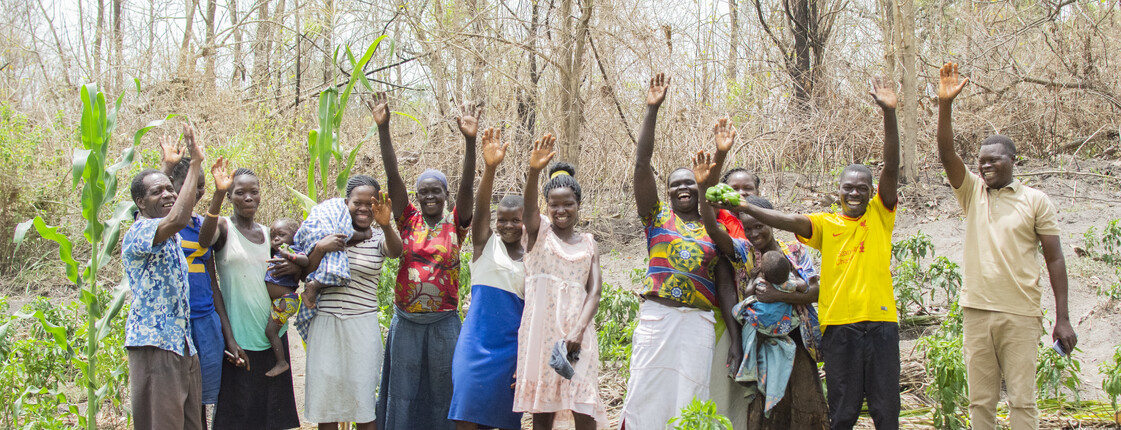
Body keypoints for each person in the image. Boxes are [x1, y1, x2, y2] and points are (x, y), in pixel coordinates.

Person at [715, 78, 901, 430]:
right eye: (849, 188)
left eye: (863, 188)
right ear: (839, 192)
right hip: (838, 327)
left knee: (886, 410)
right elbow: (786, 219)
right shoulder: (826, 225)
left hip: (881, 325)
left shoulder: (880, 215)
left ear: (872, 192)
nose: (856, 193)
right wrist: (744, 204)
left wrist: (888, 114)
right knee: (842, 412)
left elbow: (890, 167)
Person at [935, 62, 1077, 430]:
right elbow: (947, 154)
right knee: (981, 401)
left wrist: (1062, 317)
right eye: (981, 161)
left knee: (1022, 401)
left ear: (1013, 161)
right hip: (976, 311)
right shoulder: (972, 193)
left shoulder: (1035, 200)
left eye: (993, 159)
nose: (984, 166)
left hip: (1021, 314)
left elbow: (1055, 258)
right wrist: (945, 104)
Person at [618, 74, 741, 429]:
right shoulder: (656, 218)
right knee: (644, 395)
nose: (683, 188)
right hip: (659, 318)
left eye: (690, 183)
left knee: (690, 402)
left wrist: (734, 339)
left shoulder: (712, 228)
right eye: (676, 185)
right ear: (668, 192)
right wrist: (651, 109)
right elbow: (642, 166)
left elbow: (725, 287)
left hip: (698, 324)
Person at [369, 91, 477, 429]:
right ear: (417, 197)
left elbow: (469, 186)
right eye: (424, 192)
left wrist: (470, 143)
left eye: (437, 191)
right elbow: (393, 177)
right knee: (403, 391)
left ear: (446, 195)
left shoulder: (456, 224)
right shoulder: (407, 220)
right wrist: (383, 129)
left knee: (445, 389)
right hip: (407, 323)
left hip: (445, 323)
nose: (430, 195)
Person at [513, 136, 608, 429]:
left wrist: (579, 330)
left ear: (578, 204)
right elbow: (528, 209)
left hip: (578, 334)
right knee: (543, 412)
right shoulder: (538, 232)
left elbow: (594, 291)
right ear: (547, 206)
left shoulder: (589, 243)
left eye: (568, 204)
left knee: (583, 406)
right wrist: (533, 171)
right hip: (541, 335)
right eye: (554, 205)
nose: (561, 210)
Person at [196, 164, 300, 429]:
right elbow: (203, 240)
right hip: (238, 337)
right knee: (237, 415)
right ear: (230, 196)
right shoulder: (223, 227)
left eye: (254, 192)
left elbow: (290, 274)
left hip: (271, 334)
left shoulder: (270, 235)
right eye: (240, 192)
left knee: (270, 416)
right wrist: (228, 337)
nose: (248, 198)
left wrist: (295, 267)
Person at [297, 175, 403, 430]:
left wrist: (387, 225)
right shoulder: (328, 232)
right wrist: (321, 248)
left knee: (364, 405)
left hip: (362, 326)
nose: (364, 208)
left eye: (371, 202)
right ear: (346, 203)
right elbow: (304, 273)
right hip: (326, 323)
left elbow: (397, 251)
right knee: (327, 406)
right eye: (358, 202)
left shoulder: (378, 237)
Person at [122, 123, 205, 430]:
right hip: (156, 346)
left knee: (190, 425)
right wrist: (194, 163)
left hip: (181, 345)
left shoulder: (163, 231)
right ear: (140, 203)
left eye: (171, 187)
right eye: (158, 191)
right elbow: (178, 215)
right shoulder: (140, 232)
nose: (168, 194)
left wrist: (167, 169)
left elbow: (166, 204)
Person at [160, 141, 244, 427]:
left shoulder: (201, 224)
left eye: (200, 186)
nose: (196, 192)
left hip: (205, 323)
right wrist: (167, 166)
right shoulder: (161, 222)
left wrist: (228, 337)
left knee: (199, 405)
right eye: (188, 184)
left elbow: (213, 283)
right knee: (173, 403)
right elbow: (152, 212)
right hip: (173, 325)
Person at [448, 128, 527, 430]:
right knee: (466, 417)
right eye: (502, 220)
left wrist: (527, 360)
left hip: (511, 352)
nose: (508, 225)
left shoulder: (533, 258)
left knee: (506, 422)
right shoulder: (484, 244)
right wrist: (490, 168)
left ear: (525, 221)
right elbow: (479, 211)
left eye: (515, 220)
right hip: (474, 347)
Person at [262, 219, 305, 378]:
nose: (276, 239)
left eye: (282, 235)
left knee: (271, 332)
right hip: (282, 301)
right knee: (270, 330)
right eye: (273, 236)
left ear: (294, 236)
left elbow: (305, 260)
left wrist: (290, 255)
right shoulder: (273, 252)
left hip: (287, 300)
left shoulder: (292, 249)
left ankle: (282, 362)